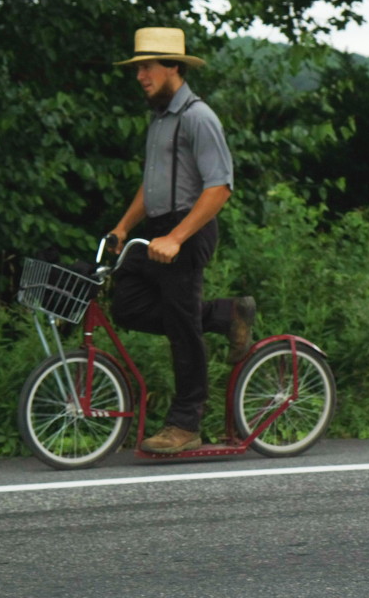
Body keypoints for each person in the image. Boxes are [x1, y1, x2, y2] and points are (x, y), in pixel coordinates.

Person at [106, 26, 255, 455]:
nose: (140, 76)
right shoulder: (159, 119)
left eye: (147, 67)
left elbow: (220, 187)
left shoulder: (197, 118)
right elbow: (151, 186)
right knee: (128, 305)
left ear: (172, 67)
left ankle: (185, 424)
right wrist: (123, 227)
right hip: (157, 229)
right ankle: (226, 314)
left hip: (187, 231)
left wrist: (176, 236)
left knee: (181, 325)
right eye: (138, 68)